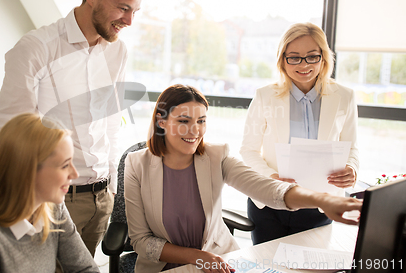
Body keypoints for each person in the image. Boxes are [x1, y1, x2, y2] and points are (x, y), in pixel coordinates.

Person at [0, 0, 147, 255]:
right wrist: (31, 201)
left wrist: (112, 185)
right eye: (123, 8)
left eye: (135, 11)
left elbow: (112, 120)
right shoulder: (36, 48)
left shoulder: (117, 52)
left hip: (101, 198)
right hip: (53, 200)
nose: (128, 21)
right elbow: (5, 132)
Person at [124, 84, 362, 273]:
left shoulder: (217, 156)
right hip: (167, 267)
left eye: (201, 121)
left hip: (222, 261)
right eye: (183, 121)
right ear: (161, 122)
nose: (195, 131)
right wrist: (199, 258)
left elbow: (269, 189)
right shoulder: (136, 164)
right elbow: (142, 242)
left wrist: (323, 200)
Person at [240, 22, 359, 245]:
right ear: (282, 59)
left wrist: (351, 168)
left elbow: (351, 146)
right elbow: (248, 150)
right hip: (270, 202)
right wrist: (272, 178)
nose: (303, 64)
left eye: (312, 56)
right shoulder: (265, 96)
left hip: (320, 204)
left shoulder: (345, 96)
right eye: (294, 57)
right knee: (268, 267)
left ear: (323, 58)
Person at [0, 113, 99, 272]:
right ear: (27, 171)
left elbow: (85, 269)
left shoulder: (52, 209)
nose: (75, 174)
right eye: (65, 165)